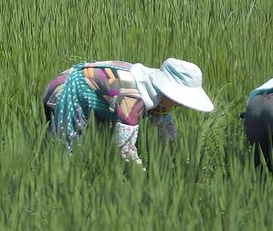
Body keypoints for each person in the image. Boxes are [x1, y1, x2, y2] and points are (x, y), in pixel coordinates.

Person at [43, 57, 214, 166]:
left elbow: (165, 129)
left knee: (97, 143)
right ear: (167, 91)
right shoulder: (134, 100)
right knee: (67, 155)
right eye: (179, 100)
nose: (180, 105)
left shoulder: (153, 91)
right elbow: (125, 150)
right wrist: (145, 180)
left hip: (90, 94)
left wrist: (181, 161)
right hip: (66, 90)